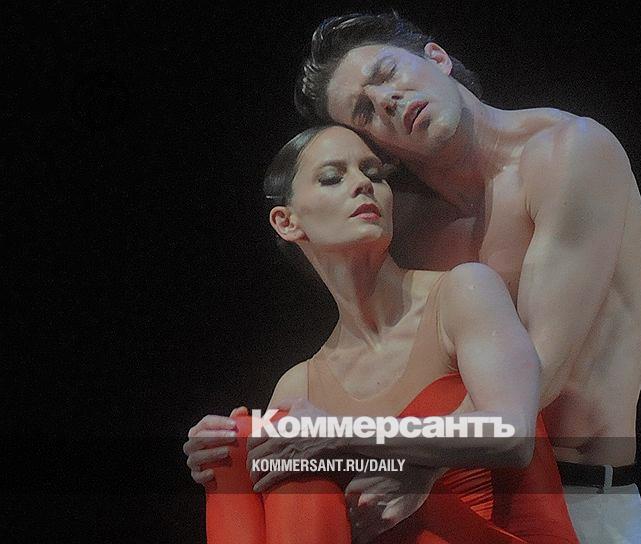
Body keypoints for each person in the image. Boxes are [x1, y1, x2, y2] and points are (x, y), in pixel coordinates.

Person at [293, 12, 641, 543]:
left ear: (437, 58)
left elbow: (539, 373)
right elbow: (383, 361)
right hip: (443, 491)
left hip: (574, 497)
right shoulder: (406, 219)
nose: (387, 101)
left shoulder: (568, 151)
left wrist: (410, 459)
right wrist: (255, 436)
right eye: (365, 111)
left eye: (387, 73)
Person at [185, 125, 579, 543]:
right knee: (238, 444)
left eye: (373, 173)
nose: (362, 184)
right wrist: (219, 452)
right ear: (287, 222)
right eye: (333, 177)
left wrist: (346, 435)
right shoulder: (300, 385)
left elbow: (513, 434)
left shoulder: (463, 292)